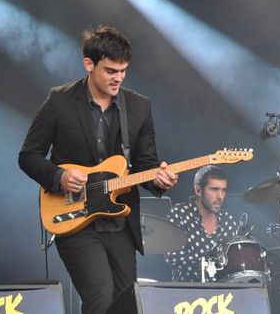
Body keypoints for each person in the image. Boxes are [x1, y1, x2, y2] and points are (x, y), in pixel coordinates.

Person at [18, 25, 178, 313]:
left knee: (126, 303)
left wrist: (160, 181)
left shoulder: (139, 107)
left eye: (123, 70)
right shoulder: (59, 101)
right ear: (88, 64)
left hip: (120, 223)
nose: (118, 78)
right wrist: (59, 176)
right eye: (110, 71)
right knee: (99, 298)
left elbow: (146, 165)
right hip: (75, 219)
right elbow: (28, 156)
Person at [166, 165, 240, 282]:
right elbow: (174, 258)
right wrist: (214, 261)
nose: (220, 196)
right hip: (187, 293)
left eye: (223, 190)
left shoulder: (228, 221)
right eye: (214, 189)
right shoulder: (180, 213)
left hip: (222, 295)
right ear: (198, 190)